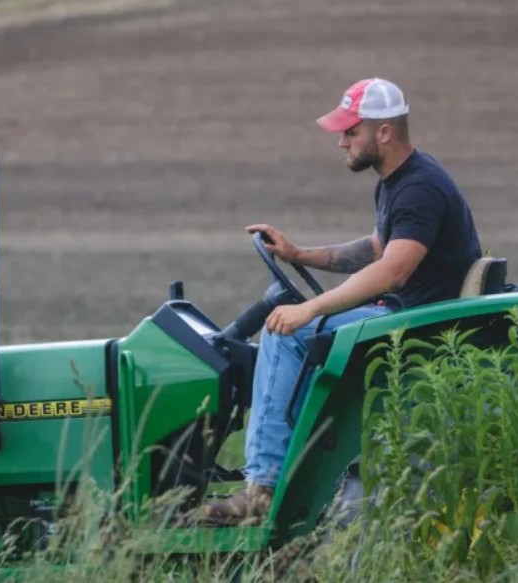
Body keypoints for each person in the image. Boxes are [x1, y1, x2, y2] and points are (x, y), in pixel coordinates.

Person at [199, 77, 482, 524]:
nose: (341, 141)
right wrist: (299, 254)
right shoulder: (398, 182)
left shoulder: (419, 188)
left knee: (282, 333)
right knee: (296, 330)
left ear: (383, 132)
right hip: (406, 314)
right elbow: (376, 249)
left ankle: (262, 489)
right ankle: (295, 474)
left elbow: (393, 270)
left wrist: (309, 309)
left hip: (419, 325)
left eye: (351, 131)